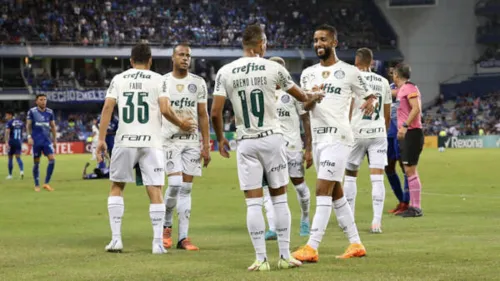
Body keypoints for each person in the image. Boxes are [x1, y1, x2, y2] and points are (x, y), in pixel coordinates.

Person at [210, 24, 309, 271]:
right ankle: (285, 256)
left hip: (246, 141)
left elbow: (215, 112)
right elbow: (301, 96)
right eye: (265, 42)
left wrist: (221, 137)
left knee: (253, 202)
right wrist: (314, 95)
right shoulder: (274, 67)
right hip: (273, 139)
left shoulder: (226, 71)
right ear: (261, 43)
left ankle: (261, 259)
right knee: (279, 198)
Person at [96, 43, 196, 254]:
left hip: (125, 141)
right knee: (155, 190)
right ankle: (157, 243)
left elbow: (107, 107)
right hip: (152, 142)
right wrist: (181, 123)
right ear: (150, 61)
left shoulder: (119, 79)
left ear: (131, 61)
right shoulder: (158, 79)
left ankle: (116, 240)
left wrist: (101, 139)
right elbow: (164, 109)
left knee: (117, 187)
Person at [292, 24, 375, 262]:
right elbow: (304, 108)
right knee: (336, 192)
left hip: (338, 137)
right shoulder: (308, 74)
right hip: (318, 139)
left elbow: (370, 96)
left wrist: (370, 103)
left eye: (323, 40)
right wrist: (312, 98)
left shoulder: (349, 72)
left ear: (334, 43)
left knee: (322, 190)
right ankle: (356, 243)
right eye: (316, 40)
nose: (319, 44)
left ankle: (312, 246)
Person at [161, 43, 211, 251]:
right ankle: (166, 226)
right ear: (173, 57)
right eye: (181, 55)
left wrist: (206, 144)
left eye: (188, 55)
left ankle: (183, 238)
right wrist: (178, 123)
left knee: (187, 188)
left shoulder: (198, 83)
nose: (185, 58)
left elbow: (203, 114)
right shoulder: (163, 81)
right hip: (170, 140)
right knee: (174, 185)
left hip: (191, 141)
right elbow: (162, 110)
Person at [262, 56, 313, 240]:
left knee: (299, 186)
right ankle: (273, 227)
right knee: (269, 187)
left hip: (292, 146)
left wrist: (309, 148)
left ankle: (305, 219)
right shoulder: (263, 92)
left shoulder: (293, 92)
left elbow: (305, 120)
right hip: (270, 147)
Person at [343, 48, 392, 233]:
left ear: (357, 62)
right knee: (377, 178)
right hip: (378, 133)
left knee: (350, 175)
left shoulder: (353, 80)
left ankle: (350, 221)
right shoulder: (384, 82)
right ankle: (376, 223)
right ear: (371, 62)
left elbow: (348, 109)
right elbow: (387, 114)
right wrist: (382, 131)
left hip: (356, 132)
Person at [393, 63, 424, 218]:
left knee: (411, 170)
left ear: (396, 75)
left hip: (411, 133)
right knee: (408, 170)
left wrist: (404, 126)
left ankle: (416, 208)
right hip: (408, 134)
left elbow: (416, 108)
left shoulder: (410, 88)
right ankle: (413, 206)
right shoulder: (403, 90)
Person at [385, 70, 410, 215]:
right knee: (388, 167)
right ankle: (401, 200)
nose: (392, 74)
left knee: (404, 166)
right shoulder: (388, 86)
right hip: (388, 132)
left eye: (394, 72)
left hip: (401, 131)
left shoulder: (408, 87)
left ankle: (407, 202)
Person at [26, 94, 57, 192]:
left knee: (52, 160)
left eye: (45, 99)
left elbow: (52, 126)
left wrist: (55, 139)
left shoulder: (50, 112)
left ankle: (46, 183)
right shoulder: (32, 111)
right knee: (36, 163)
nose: (43, 101)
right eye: (41, 99)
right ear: (36, 101)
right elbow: (28, 125)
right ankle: (36, 184)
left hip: (46, 141)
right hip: (36, 141)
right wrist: (29, 136)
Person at [4, 111, 24, 179]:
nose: (6, 117)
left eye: (6, 115)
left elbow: (7, 132)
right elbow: (22, 131)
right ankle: (21, 171)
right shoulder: (20, 122)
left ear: (10, 115)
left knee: (10, 158)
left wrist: (6, 142)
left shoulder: (9, 123)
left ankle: (10, 175)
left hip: (12, 141)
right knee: (18, 157)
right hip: (18, 141)